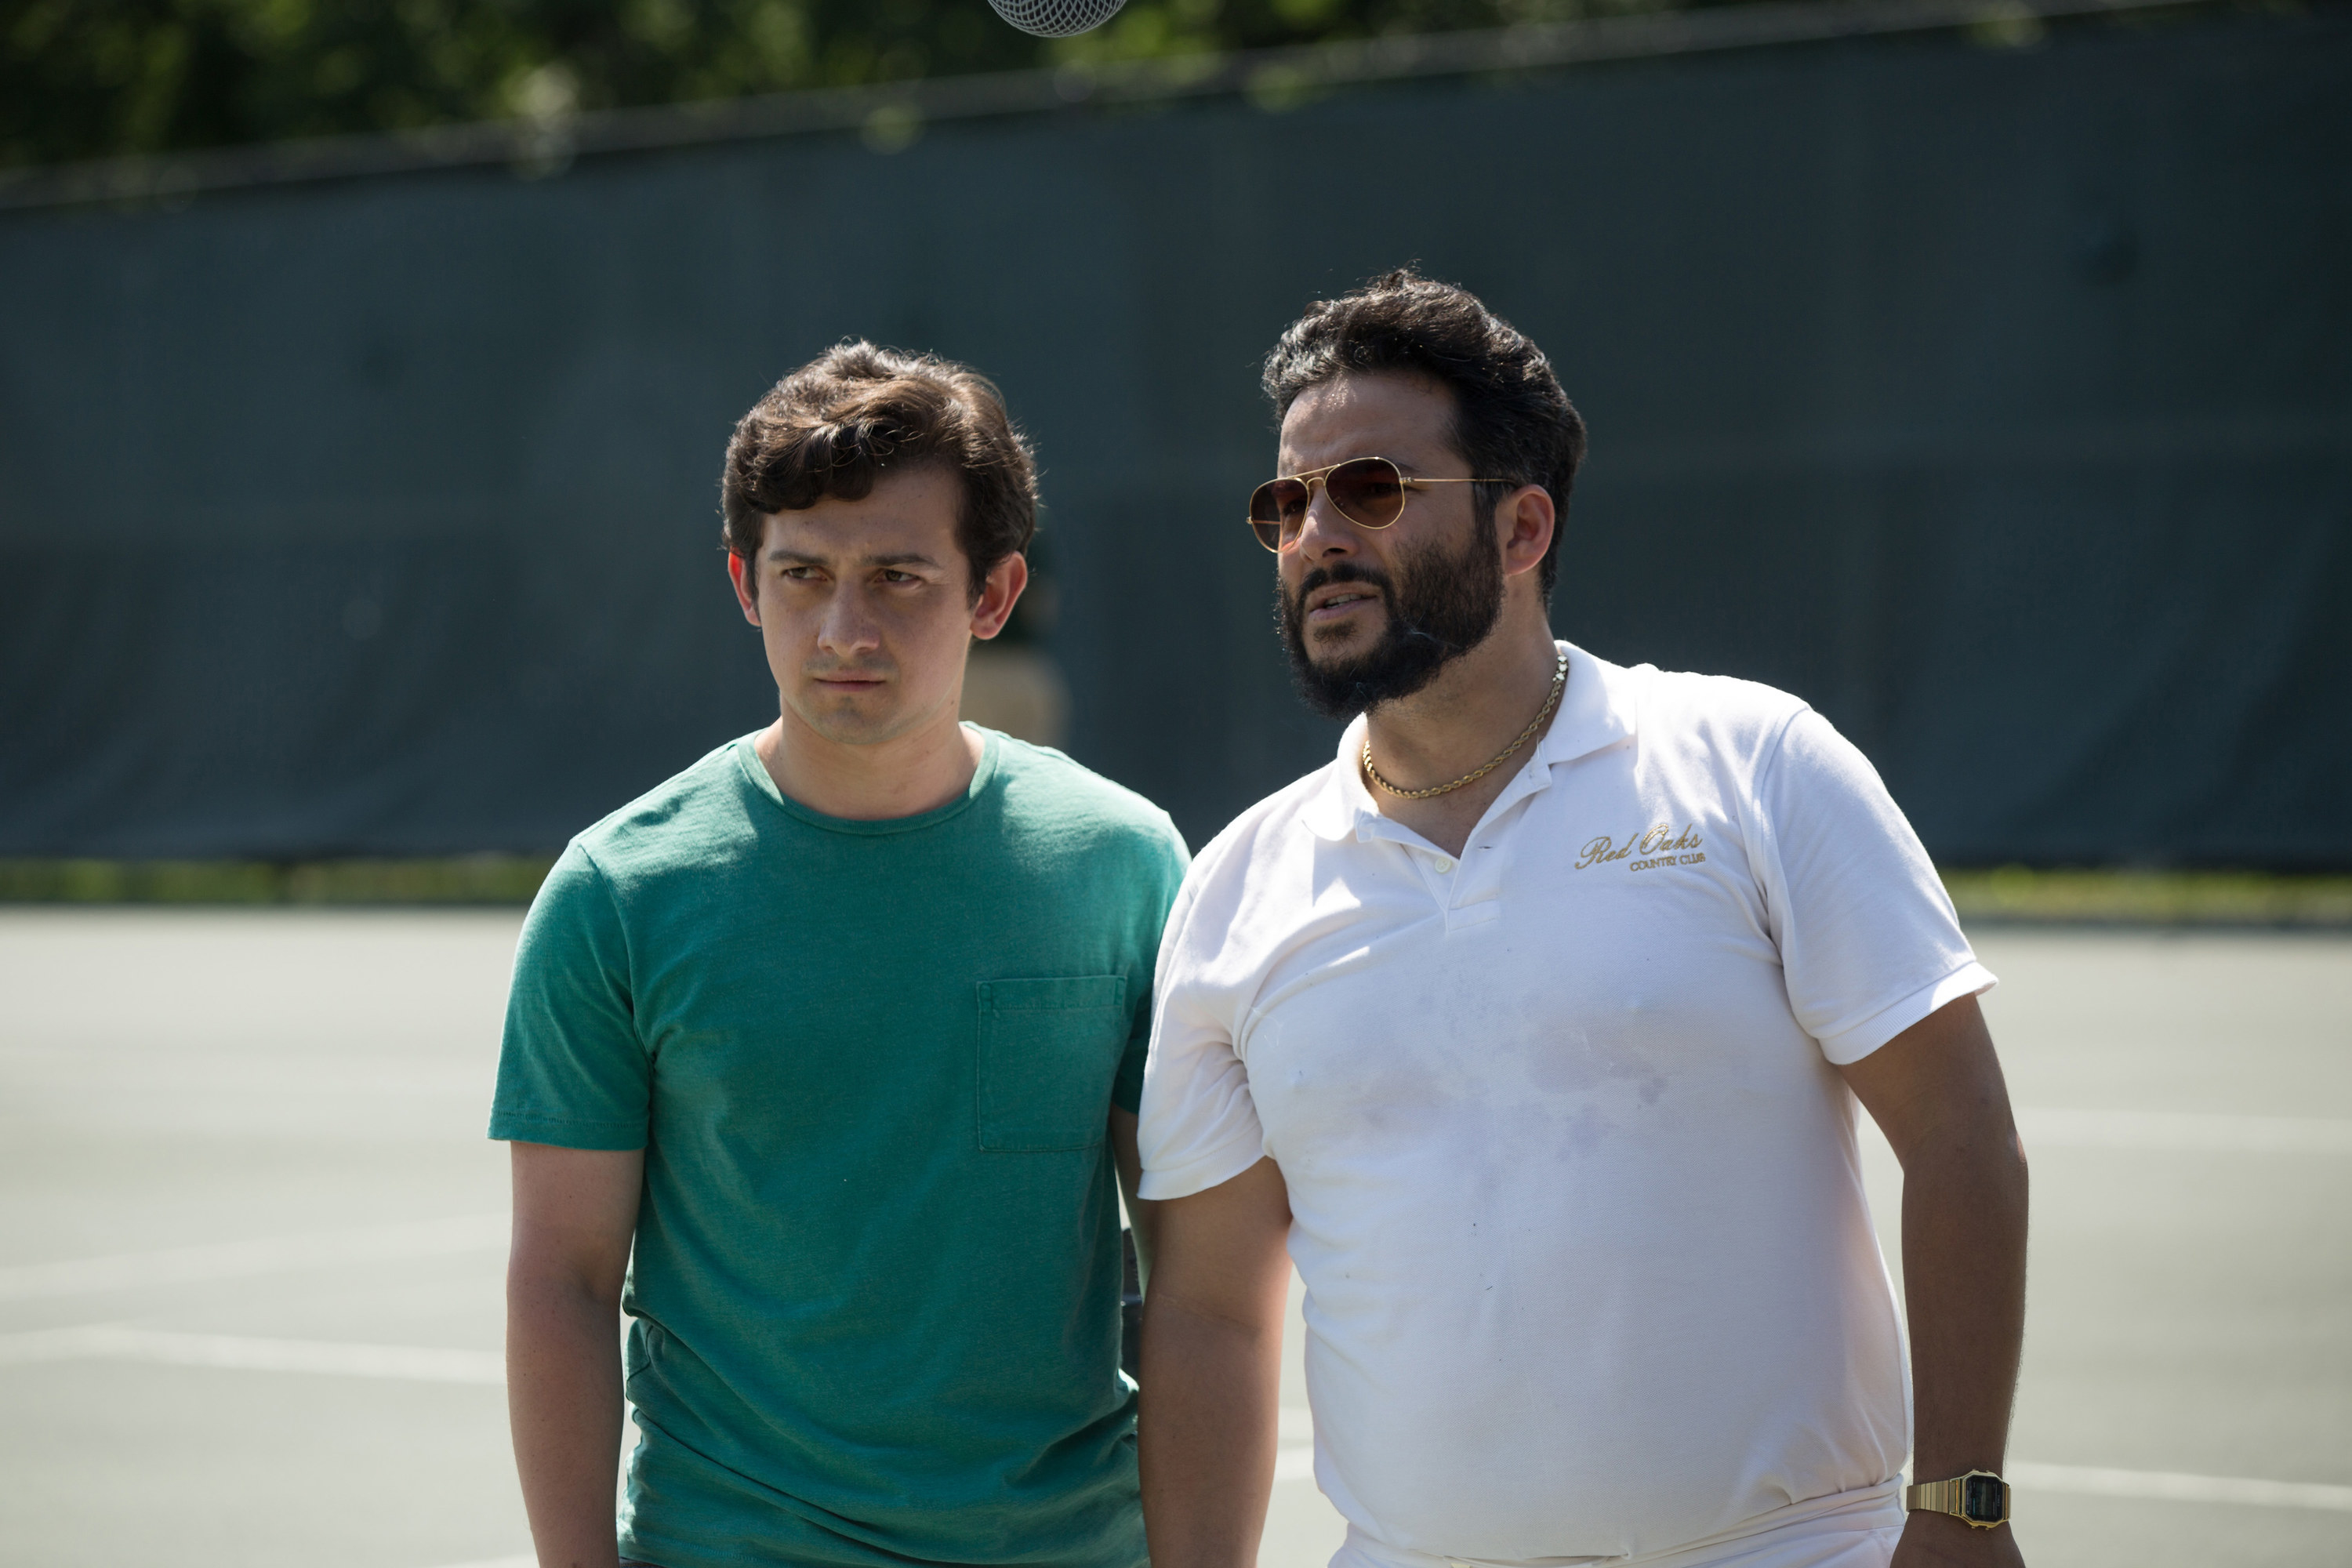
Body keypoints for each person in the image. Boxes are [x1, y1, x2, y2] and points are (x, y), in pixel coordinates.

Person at [1134, 272, 2029, 1568]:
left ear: (1520, 529)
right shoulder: (1233, 886)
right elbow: (1213, 1308)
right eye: (1288, 502)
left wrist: (1959, 1508)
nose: (1317, 532)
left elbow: (1961, 1137)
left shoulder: (1753, 763)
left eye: (1371, 490)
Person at [491, 343, 1185, 1568]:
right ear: (744, 584)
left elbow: (1201, 1282)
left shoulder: (1125, 866)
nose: (843, 626)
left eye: (899, 577)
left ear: (994, 592)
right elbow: (563, 1279)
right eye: (802, 575)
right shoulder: (615, 893)